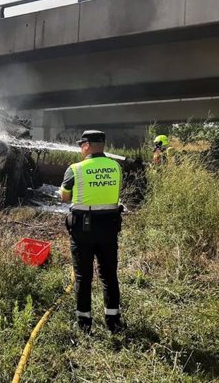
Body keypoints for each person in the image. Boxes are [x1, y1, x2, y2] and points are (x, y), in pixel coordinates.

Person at [60, 130, 124, 334]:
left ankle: (84, 323)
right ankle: (113, 321)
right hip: (109, 229)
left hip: (83, 231)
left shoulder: (75, 169)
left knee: (83, 276)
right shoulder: (116, 167)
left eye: (81, 145)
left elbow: (64, 197)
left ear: (86, 145)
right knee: (109, 275)